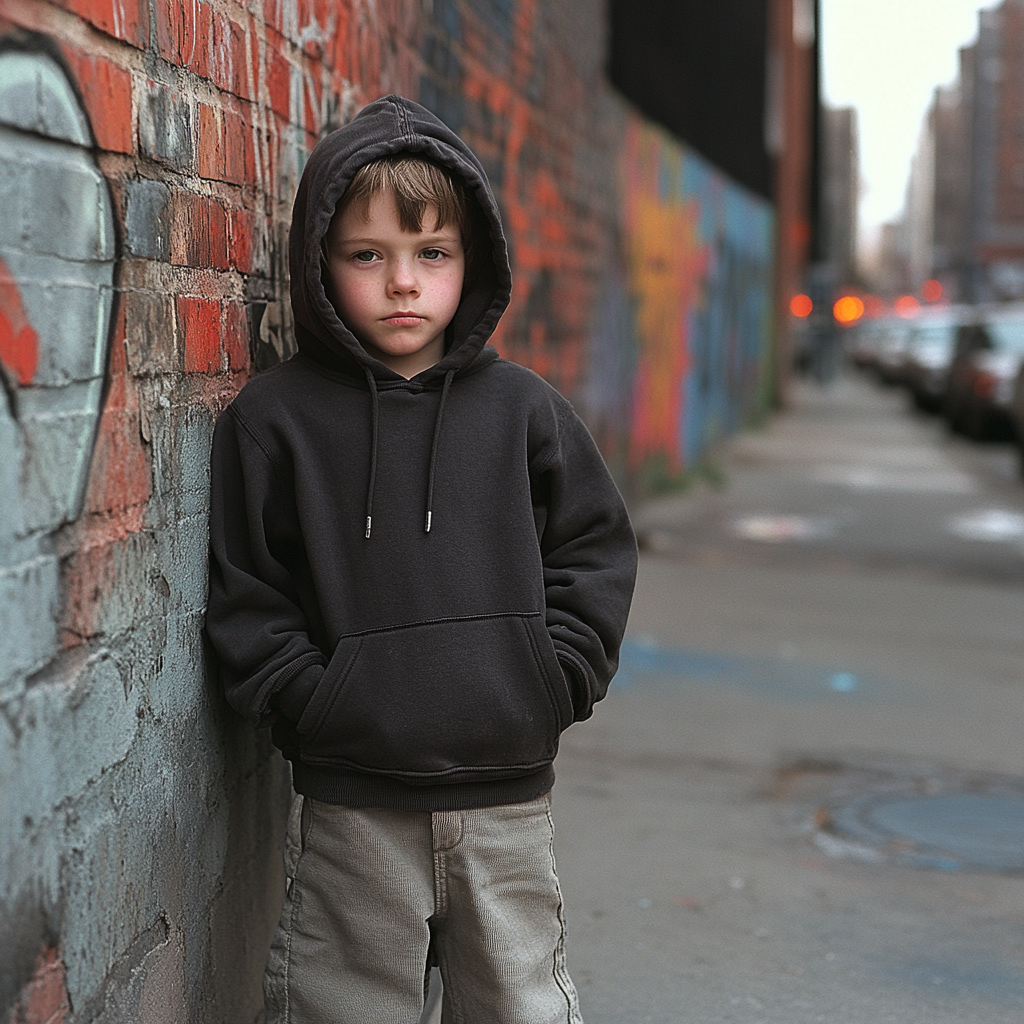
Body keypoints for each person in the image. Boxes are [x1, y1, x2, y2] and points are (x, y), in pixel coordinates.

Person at [205, 94, 637, 1024]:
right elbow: (248, 594)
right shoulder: (273, 423)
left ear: (469, 264)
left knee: (518, 1003)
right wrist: (312, 700)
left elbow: (594, 550)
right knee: (339, 1007)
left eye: (431, 254)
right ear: (320, 266)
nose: (404, 283)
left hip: (507, 794)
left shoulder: (526, 412)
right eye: (369, 255)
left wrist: (555, 678)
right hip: (352, 803)